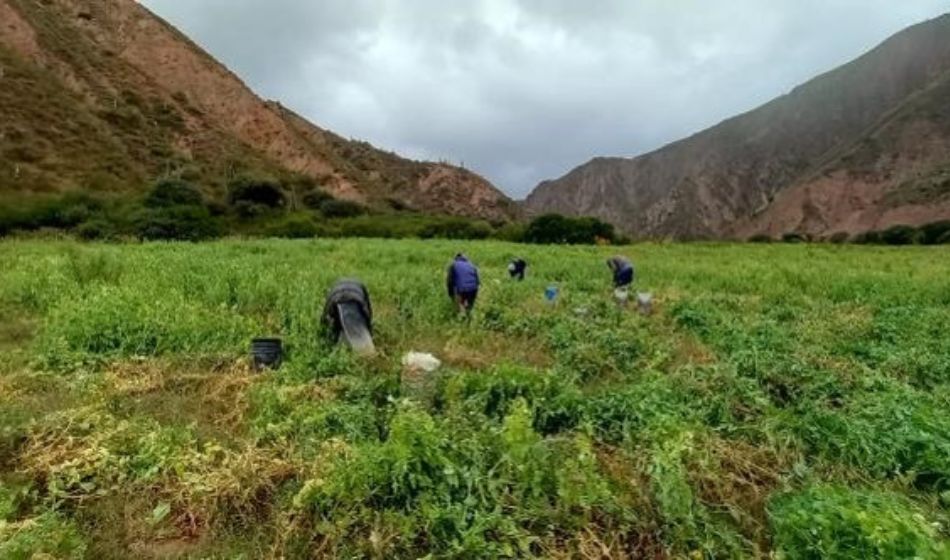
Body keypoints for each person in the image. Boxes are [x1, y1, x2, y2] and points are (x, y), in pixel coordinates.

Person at [322, 279, 375, 354]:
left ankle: (360, 352)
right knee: (358, 332)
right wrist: (369, 326)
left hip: (339, 298)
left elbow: (326, 312)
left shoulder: (333, 290)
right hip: (355, 299)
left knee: (347, 327)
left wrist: (325, 329)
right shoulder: (360, 284)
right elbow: (367, 307)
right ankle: (366, 353)